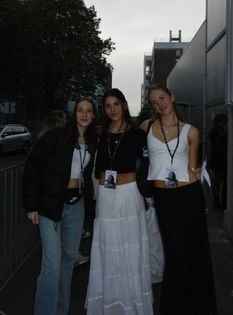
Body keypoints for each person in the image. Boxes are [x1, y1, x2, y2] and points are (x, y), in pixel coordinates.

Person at [140, 83, 218, 315]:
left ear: (172, 97)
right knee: (174, 253)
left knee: (194, 252)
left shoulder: (191, 131)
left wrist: (204, 186)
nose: (159, 104)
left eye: (162, 98)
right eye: (154, 102)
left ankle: (197, 307)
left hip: (189, 196)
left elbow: (192, 167)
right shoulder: (146, 127)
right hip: (163, 198)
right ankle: (174, 308)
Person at [22, 98, 97, 315]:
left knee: (67, 264)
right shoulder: (58, 136)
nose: (84, 114)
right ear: (74, 114)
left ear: (93, 115)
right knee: (52, 266)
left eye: (89, 111)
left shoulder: (92, 141)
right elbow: (33, 169)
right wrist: (31, 205)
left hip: (76, 206)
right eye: (80, 110)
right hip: (50, 205)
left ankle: (60, 310)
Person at [85, 88, 153, 314]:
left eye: (116, 104)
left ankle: (131, 303)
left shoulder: (137, 133)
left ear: (123, 105)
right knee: (108, 248)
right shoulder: (99, 133)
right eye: (107, 106)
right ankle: (110, 302)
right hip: (105, 196)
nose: (112, 109)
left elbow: (146, 164)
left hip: (129, 194)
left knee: (129, 249)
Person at [208, 113, 228, 210]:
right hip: (219, 161)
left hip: (216, 160)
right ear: (221, 120)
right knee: (218, 182)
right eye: (224, 121)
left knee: (216, 182)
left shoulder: (214, 130)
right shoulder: (219, 131)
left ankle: (216, 201)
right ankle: (216, 201)